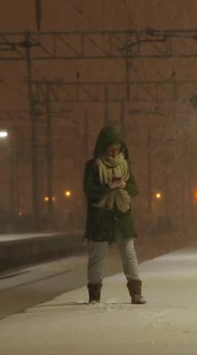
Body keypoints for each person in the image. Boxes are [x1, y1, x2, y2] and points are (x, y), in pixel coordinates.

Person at [83, 126, 146, 305]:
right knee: (97, 255)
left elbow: (134, 189)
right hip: (100, 218)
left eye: (117, 149)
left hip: (122, 216)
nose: (114, 152)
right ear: (102, 147)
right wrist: (107, 188)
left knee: (129, 253)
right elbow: (90, 191)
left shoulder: (125, 165)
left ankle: (136, 293)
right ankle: (94, 295)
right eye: (111, 149)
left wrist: (124, 185)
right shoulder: (93, 166)